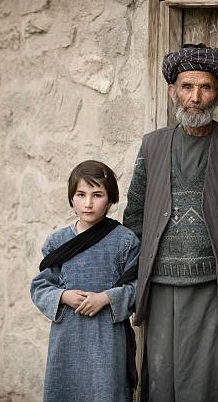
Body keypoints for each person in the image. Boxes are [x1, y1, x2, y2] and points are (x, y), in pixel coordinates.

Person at [123, 43, 218, 402]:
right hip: (157, 287)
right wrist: (127, 283)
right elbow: (134, 216)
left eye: (205, 88)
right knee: (160, 381)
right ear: (173, 92)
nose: (195, 97)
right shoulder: (152, 145)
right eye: (187, 87)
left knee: (211, 383)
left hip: (213, 288)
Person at [30, 160, 139, 402]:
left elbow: (139, 288)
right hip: (67, 340)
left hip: (107, 341)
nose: (88, 203)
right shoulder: (56, 242)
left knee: (105, 392)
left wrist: (106, 298)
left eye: (97, 194)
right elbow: (40, 286)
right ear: (71, 198)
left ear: (110, 199)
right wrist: (63, 296)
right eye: (81, 194)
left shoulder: (125, 241)